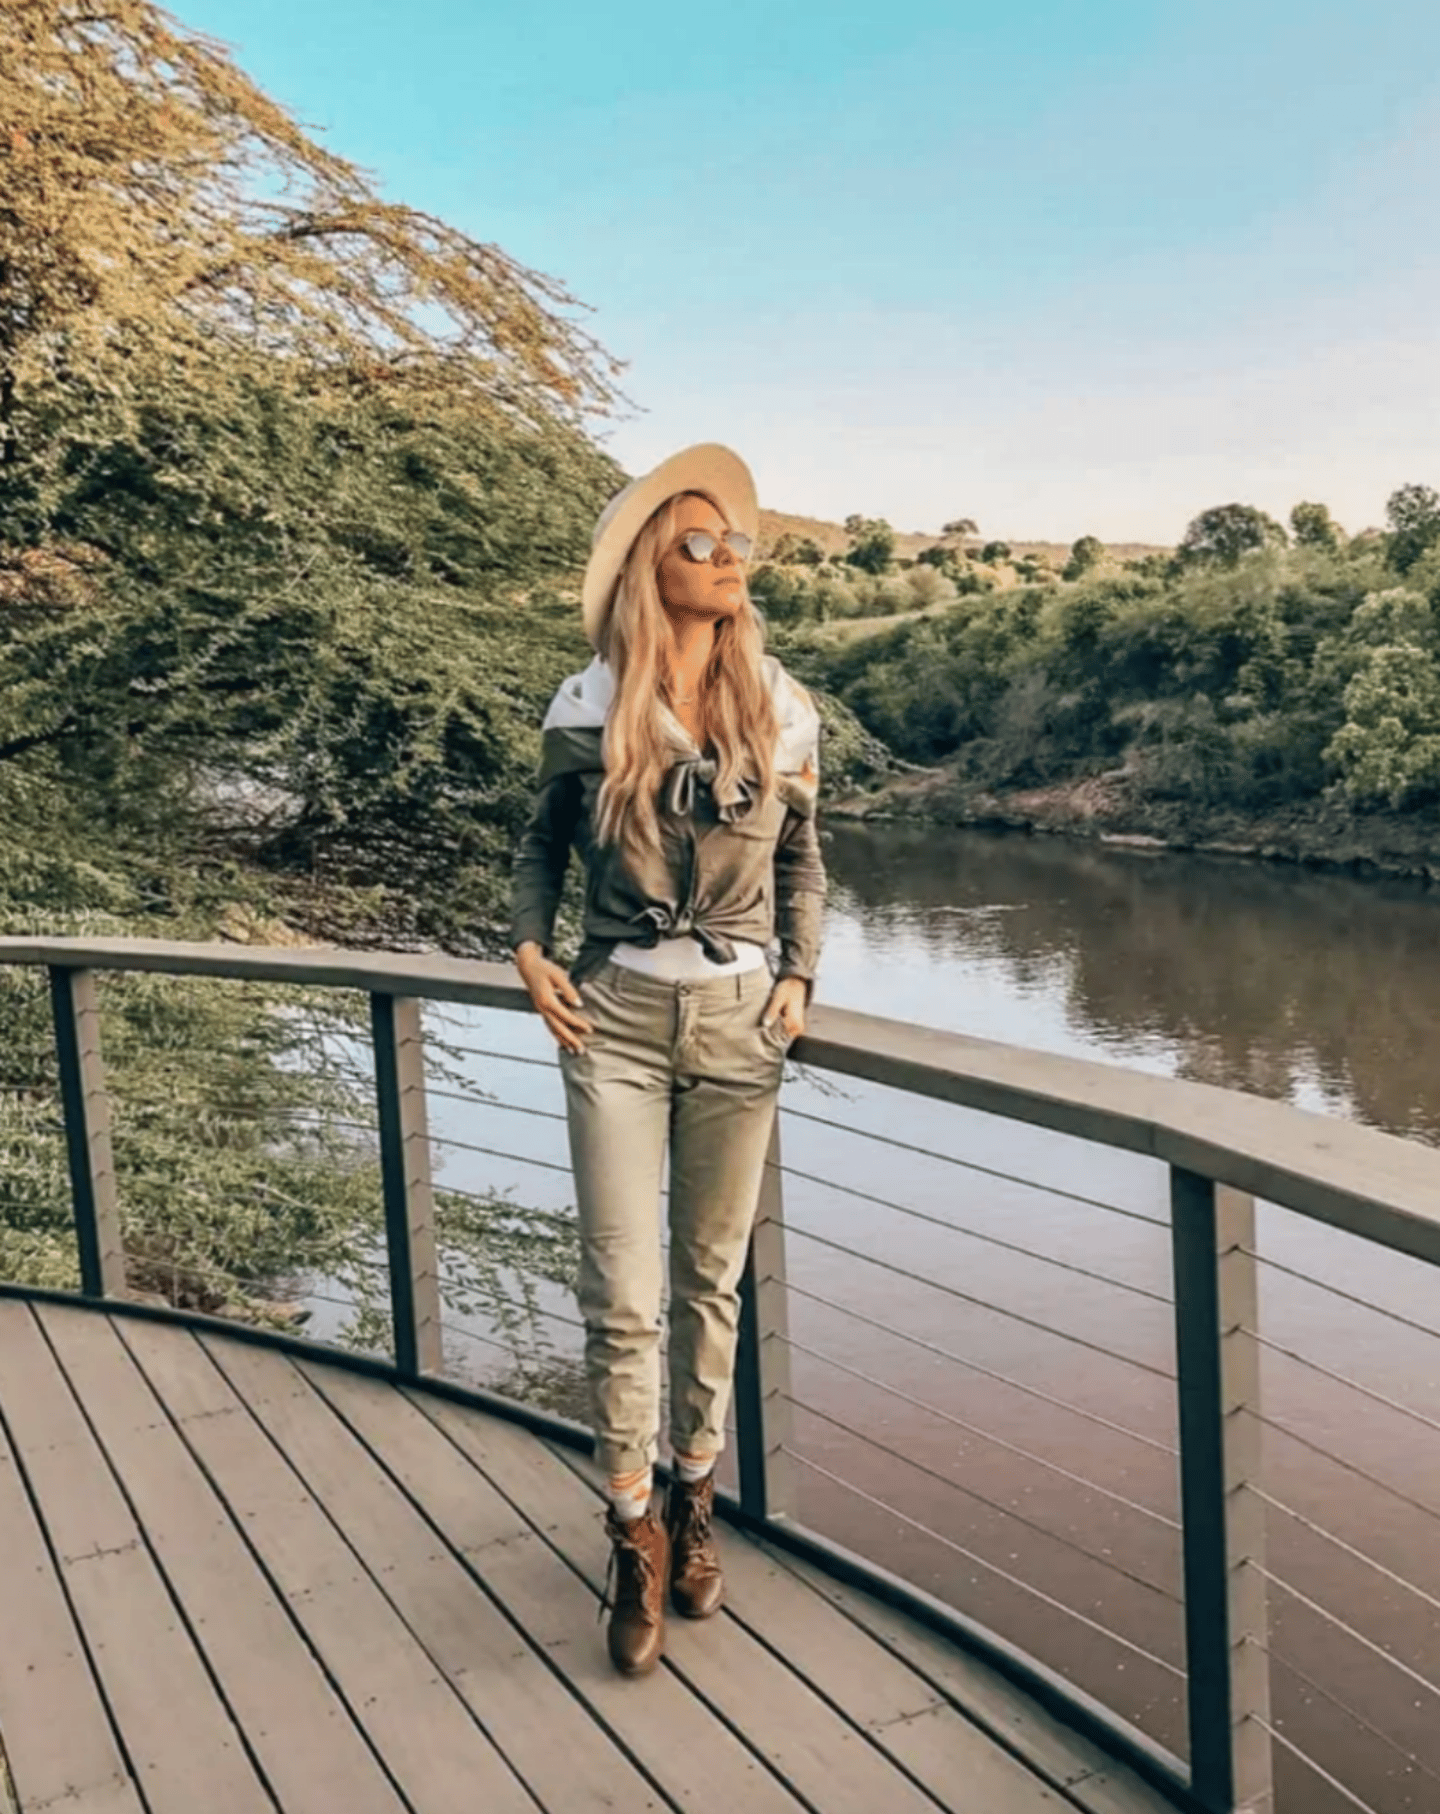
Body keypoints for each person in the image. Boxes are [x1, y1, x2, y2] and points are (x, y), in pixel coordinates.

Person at [509, 443, 826, 1676]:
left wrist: (799, 973)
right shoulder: (588, 703)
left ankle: (698, 1500)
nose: (726, 557)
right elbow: (540, 844)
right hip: (615, 1017)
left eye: (735, 541)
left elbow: (804, 858)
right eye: (699, 542)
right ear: (652, 565)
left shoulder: (782, 704)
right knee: (621, 1288)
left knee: (709, 1281)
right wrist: (530, 950)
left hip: (744, 1023)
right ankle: (631, 1524)